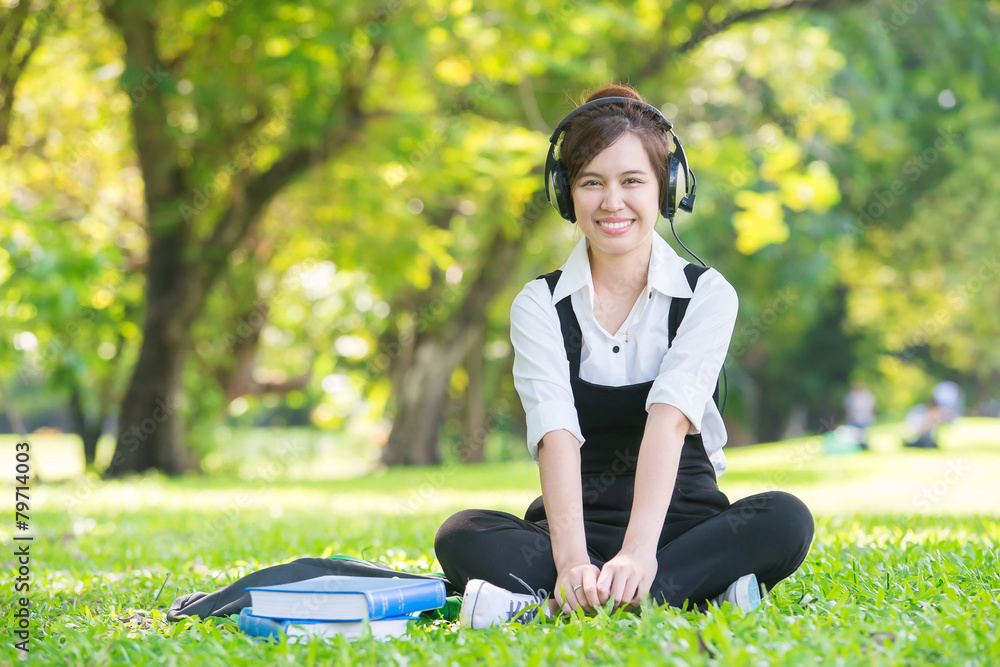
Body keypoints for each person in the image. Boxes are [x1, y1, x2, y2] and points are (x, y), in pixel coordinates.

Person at [434, 83, 814, 629]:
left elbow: (668, 420)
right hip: (574, 530)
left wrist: (639, 554)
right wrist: (570, 563)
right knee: (462, 533)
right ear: (567, 195)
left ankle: (555, 606)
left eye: (632, 181)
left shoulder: (707, 295)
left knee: (785, 518)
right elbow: (555, 433)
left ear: (666, 189)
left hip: (679, 526)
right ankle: (683, 595)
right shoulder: (538, 303)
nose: (612, 202)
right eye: (592, 182)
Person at [843, 382, 876, 450]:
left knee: (863, 434)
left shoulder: (867, 395)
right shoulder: (850, 396)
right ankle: (858, 446)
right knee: (855, 434)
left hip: (864, 418)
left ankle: (864, 445)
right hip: (854, 419)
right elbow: (847, 408)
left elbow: (873, 407)